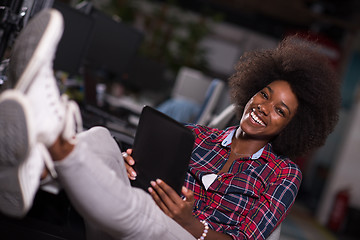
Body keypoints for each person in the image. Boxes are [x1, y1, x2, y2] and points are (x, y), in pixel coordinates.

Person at [0, 8, 340, 240]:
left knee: (146, 212)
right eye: (264, 95)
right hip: (129, 214)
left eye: (280, 110)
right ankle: (40, 166)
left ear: (292, 127)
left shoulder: (283, 175)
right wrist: (129, 165)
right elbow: (144, 174)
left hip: (183, 234)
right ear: (252, 91)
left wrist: (191, 223)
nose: (264, 108)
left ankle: (51, 140)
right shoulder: (195, 136)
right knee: (104, 139)